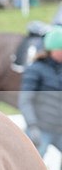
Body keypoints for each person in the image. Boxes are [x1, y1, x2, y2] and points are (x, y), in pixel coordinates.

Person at [19, 25, 62, 157]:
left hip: (59, 129)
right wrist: (32, 126)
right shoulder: (35, 69)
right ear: (52, 50)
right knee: (31, 164)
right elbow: (25, 100)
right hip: (41, 128)